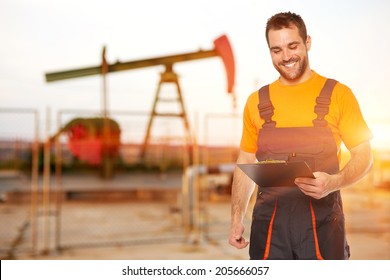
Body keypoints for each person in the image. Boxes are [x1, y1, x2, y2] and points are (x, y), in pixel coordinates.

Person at [229, 12, 373, 260]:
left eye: (292, 46)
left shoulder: (338, 95)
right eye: (276, 50)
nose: (286, 57)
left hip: (322, 226)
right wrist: (236, 218)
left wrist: (333, 183)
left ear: (307, 43)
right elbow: (246, 162)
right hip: (269, 227)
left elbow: (364, 157)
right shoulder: (256, 102)